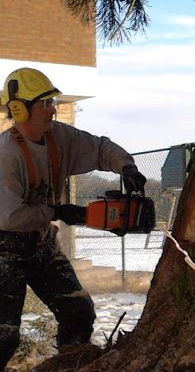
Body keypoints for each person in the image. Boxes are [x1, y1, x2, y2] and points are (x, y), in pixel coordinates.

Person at [0, 67, 147, 369]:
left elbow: (99, 148)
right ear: (19, 108)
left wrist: (126, 168)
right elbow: (9, 217)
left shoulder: (59, 137)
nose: (52, 110)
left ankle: (68, 365)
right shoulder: (6, 154)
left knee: (78, 310)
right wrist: (57, 212)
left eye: (51, 103)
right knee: (4, 336)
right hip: (3, 247)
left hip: (40, 242)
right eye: (44, 104)